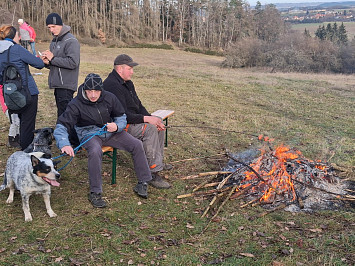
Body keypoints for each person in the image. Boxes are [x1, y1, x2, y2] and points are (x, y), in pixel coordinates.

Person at [54, 73, 153, 208]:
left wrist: (117, 126)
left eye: (96, 91)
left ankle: (143, 181)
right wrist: (64, 143)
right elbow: (62, 126)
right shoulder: (75, 103)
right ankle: (95, 192)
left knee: (136, 144)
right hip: (89, 134)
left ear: (101, 90)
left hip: (110, 131)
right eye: (90, 91)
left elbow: (121, 115)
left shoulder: (110, 97)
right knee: (95, 151)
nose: (93, 95)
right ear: (84, 90)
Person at [103, 54, 172, 189]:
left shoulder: (127, 83)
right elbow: (122, 115)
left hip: (132, 120)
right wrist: (146, 119)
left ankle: (158, 163)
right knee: (150, 129)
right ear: (120, 69)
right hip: (119, 126)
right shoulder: (112, 85)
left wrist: (152, 118)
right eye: (130, 68)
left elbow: (138, 105)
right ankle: (152, 172)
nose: (132, 72)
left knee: (157, 125)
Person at [0, 25, 44, 150]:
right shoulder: (17, 49)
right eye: (18, 35)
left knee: (19, 120)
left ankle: (21, 147)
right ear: (14, 37)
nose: (19, 37)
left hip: (9, 94)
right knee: (27, 125)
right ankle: (27, 154)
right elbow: (39, 64)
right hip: (27, 92)